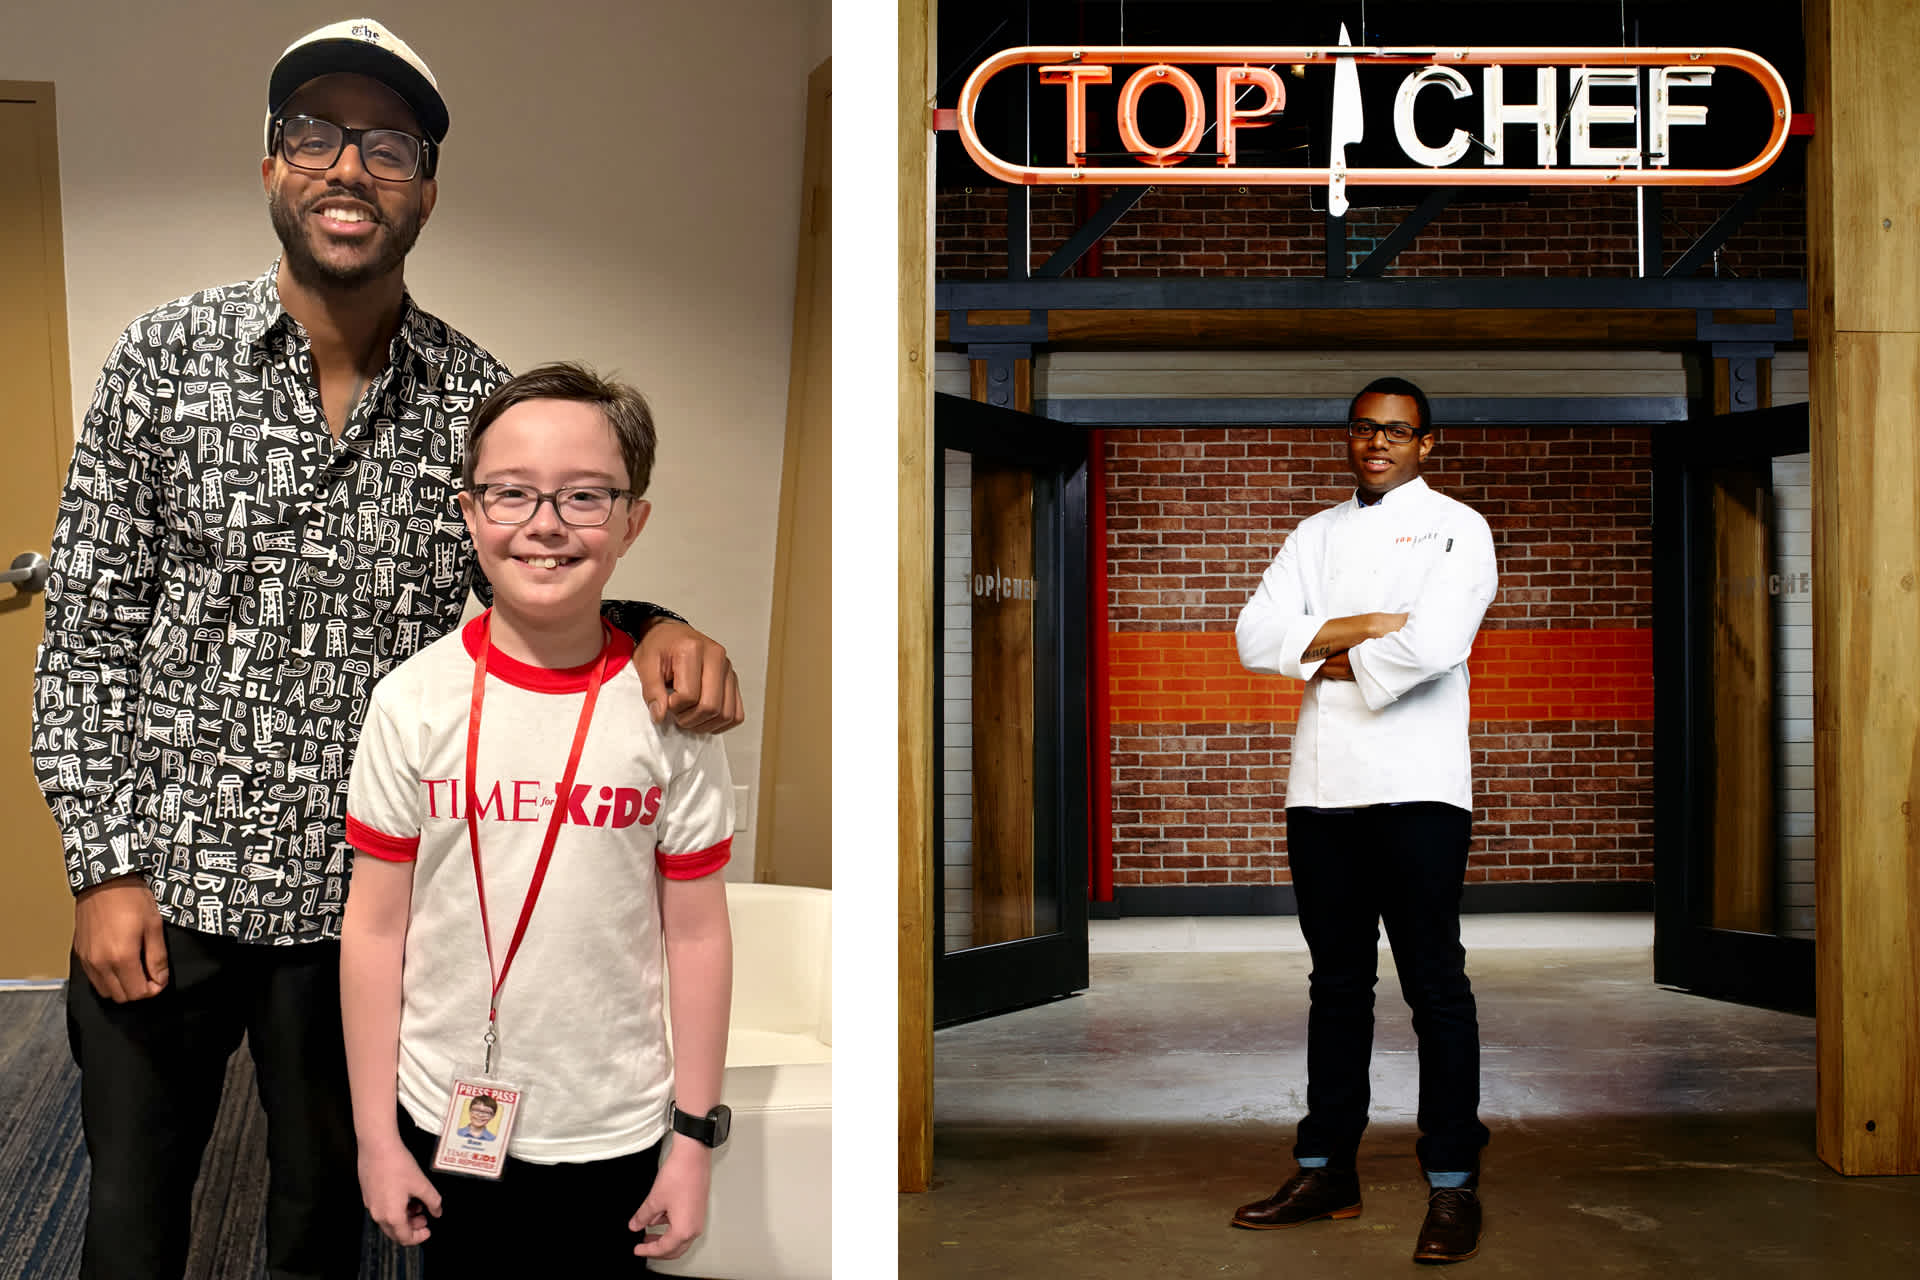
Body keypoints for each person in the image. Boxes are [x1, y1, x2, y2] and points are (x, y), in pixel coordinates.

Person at [30, 20, 741, 1280]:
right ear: (270, 167)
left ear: (424, 186)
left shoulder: (476, 403)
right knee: (133, 1222)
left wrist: (657, 624)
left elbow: (537, 572)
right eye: (313, 133)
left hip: (358, 915)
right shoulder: (160, 359)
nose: (347, 165)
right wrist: (101, 868)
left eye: (387, 143)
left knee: (325, 1218)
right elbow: (88, 630)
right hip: (166, 886)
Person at [340, 363, 734, 1272]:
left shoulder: (670, 713)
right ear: (472, 513)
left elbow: (699, 934)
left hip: (618, 1124)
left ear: (633, 521)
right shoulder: (413, 702)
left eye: (585, 496)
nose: (546, 524)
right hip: (445, 1110)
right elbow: (374, 930)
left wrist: (691, 1141)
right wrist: (374, 1137)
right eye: (511, 494)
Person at [1229, 377, 1498, 1265]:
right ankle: (1325, 1168)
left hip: (1421, 787)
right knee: (1336, 987)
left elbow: (1434, 644)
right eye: (1362, 429)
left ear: (1429, 442)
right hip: (1324, 790)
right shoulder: (1315, 534)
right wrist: (1358, 625)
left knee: (1435, 986)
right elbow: (1252, 636)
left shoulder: (1460, 526)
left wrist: (1324, 652)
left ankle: (1453, 1180)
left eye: (1396, 430)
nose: (1376, 442)